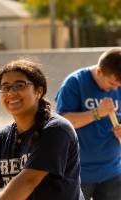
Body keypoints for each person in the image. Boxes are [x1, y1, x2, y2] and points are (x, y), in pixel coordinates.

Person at [0, 58, 84, 200]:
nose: (11, 92)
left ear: (39, 91)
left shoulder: (57, 130)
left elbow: (28, 181)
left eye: (20, 85)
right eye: (5, 87)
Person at [55, 48, 121, 200]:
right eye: (112, 83)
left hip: (113, 171)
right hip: (77, 173)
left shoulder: (119, 84)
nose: (115, 89)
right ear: (99, 72)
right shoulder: (75, 82)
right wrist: (96, 113)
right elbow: (62, 123)